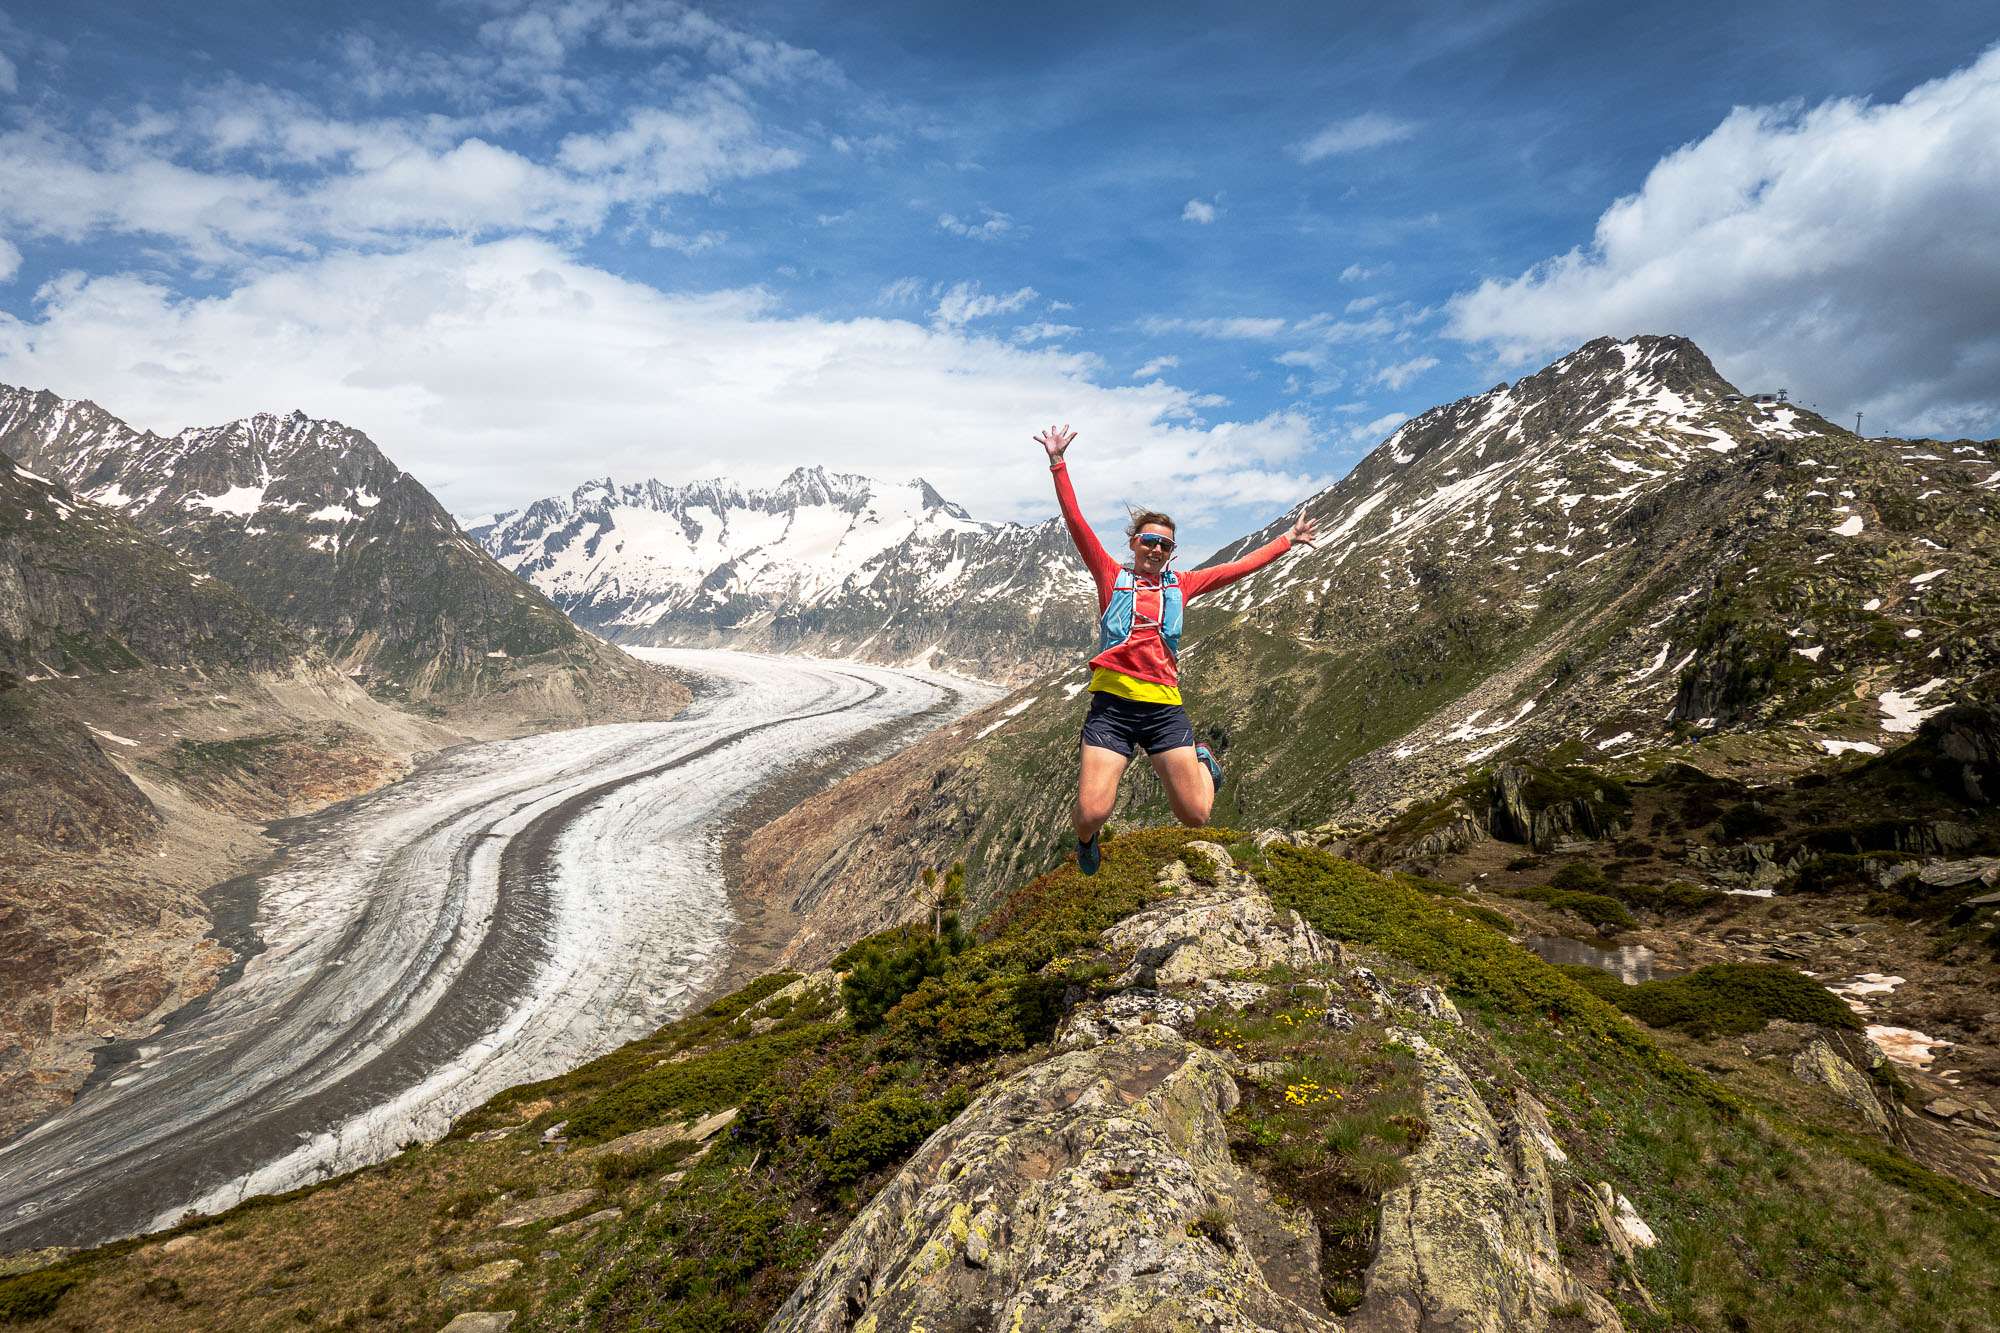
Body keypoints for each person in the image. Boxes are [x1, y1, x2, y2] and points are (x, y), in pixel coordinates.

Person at [1037, 424, 1318, 875]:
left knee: (1196, 815)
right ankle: (1086, 841)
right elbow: (1076, 522)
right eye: (1148, 540)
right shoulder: (1112, 577)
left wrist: (1287, 541)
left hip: (1164, 708)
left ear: (1171, 551)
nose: (1155, 548)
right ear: (1133, 544)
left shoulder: (1181, 585)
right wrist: (1057, 463)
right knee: (1091, 813)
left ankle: (1203, 758)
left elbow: (1238, 568)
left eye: (1164, 544)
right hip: (1112, 708)